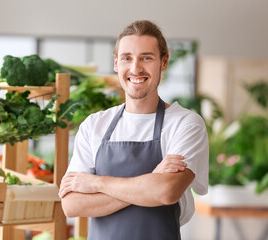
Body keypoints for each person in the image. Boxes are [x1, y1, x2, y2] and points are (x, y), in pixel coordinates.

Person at [59, 20, 209, 240]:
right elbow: (72, 205)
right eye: (127, 58)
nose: (136, 68)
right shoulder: (94, 125)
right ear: (116, 63)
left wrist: (95, 183)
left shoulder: (185, 124)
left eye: (146, 58)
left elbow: (166, 192)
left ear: (164, 62)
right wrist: (152, 179)